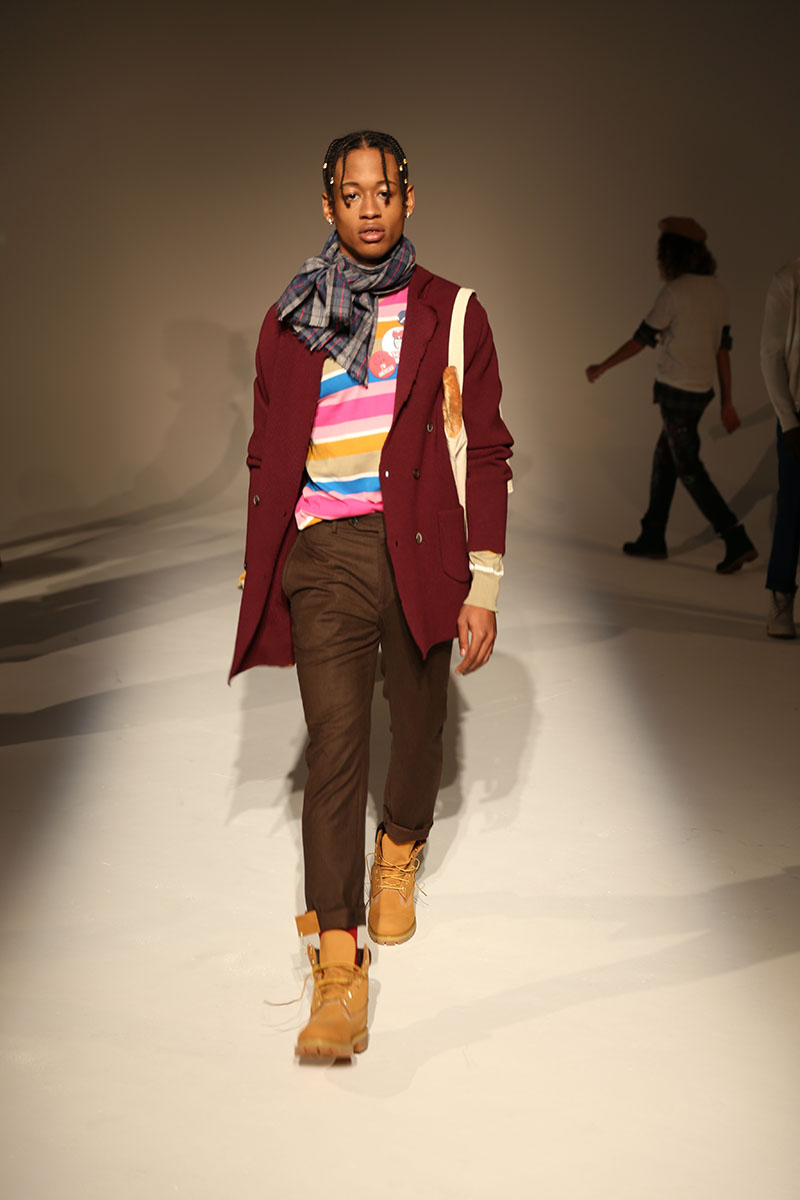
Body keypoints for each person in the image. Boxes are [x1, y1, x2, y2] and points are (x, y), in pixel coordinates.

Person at [230, 131, 513, 1059]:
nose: (368, 208)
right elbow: (268, 451)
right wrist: (260, 559)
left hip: (420, 544)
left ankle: (401, 842)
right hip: (326, 553)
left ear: (408, 198)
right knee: (335, 747)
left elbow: (488, 449)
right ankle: (338, 974)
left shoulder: (452, 311)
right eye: (350, 195)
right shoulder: (290, 319)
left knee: (420, 720)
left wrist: (484, 579)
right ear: (328, 206)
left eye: (382, 191)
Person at [585, 217, 757, 574]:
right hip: (700, 394)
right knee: (665, 456)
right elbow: (723, 350)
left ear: (671, 254)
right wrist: (726, 401)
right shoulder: (718, 292)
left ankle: (735, 538)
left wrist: (603, 366)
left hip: (675, 393)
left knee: (688, 467)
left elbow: (641, 339)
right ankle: (653, 535)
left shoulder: (674, 293)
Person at [760, 256, 800, 638]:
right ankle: (780, 599)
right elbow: (771, 355)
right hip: (799, 415)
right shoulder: (789, 279)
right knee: (793, 509)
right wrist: (788, 420)